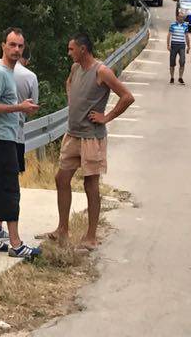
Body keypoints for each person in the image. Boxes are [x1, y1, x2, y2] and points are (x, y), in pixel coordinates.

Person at [42, 33, 133, 249]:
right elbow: (70, 84)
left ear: (83, 49)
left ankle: (91, 236)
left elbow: (127, 96)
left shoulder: (101, 71)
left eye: (71, 49)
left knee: (90, 184)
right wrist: (75, 104)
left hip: (92, 137)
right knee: (61, 178)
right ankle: (62, 229)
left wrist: (106, 117)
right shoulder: (75, 69)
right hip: (73, 134)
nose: (69, 53)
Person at [0, 29, 40, 259]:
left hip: (0, 138)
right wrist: (19, 107)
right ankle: (16, 243)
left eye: (20, 46)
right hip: (1, 139)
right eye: (12, 45)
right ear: (3, 45)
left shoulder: (9, 73)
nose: (16, 50)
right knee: (10, 190)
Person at [167, 10, 190, 85]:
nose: (181, 18)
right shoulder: (172, 25)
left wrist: (188, 46)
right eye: (180, 17)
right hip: (174, 45)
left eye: (182, 17)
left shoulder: (185, 25)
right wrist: (168, 45)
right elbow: (169, 35)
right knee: (172, 62)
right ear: (177, 17)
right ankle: (172, 77)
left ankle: (180, 77)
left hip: (182, 45)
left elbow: (186, 36)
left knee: (182, 61)